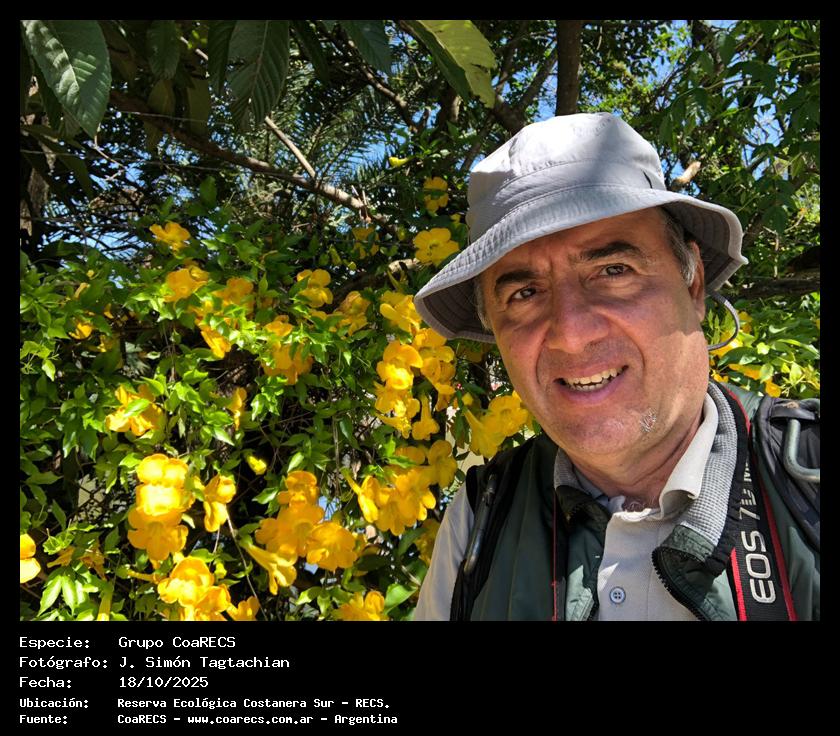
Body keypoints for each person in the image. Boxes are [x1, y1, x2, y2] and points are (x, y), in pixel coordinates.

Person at [412, 112, 819, 621]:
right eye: (525, 293)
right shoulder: (479, 517)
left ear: (692, 283)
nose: (571, 333)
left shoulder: (807, 476)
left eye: (613, 270)